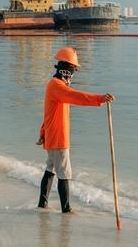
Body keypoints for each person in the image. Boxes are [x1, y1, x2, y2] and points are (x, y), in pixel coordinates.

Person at [37, 46, 114, 213]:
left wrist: (43, 133)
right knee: (64, 173)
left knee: (50, 170)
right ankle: (66, 209)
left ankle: (42, 205)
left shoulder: (54, 85)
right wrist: (100, 98)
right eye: (73, 71)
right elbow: (77, 96)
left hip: (53, 136)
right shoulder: (58, 86)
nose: (73, 75)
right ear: (66, 70)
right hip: (58, 138)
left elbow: (48, 114)